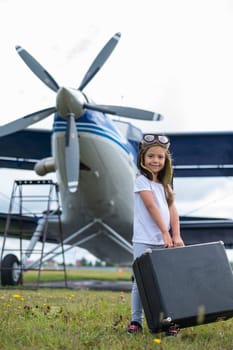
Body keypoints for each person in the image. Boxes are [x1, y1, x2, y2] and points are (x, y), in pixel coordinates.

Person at [127, 134, 184, 336]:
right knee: (140, 282)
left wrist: (175, 235)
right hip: (144, 240)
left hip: (166, 241)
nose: (155, 161)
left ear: (165, 160)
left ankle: (170, 321)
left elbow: (173, 211)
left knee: (166, 282)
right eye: (151, 156)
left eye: (160, 157)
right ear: (142, 158)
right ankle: (136, 321)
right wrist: (164, 232)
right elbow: (151, 207)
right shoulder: (141, 181)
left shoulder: (166, 184)